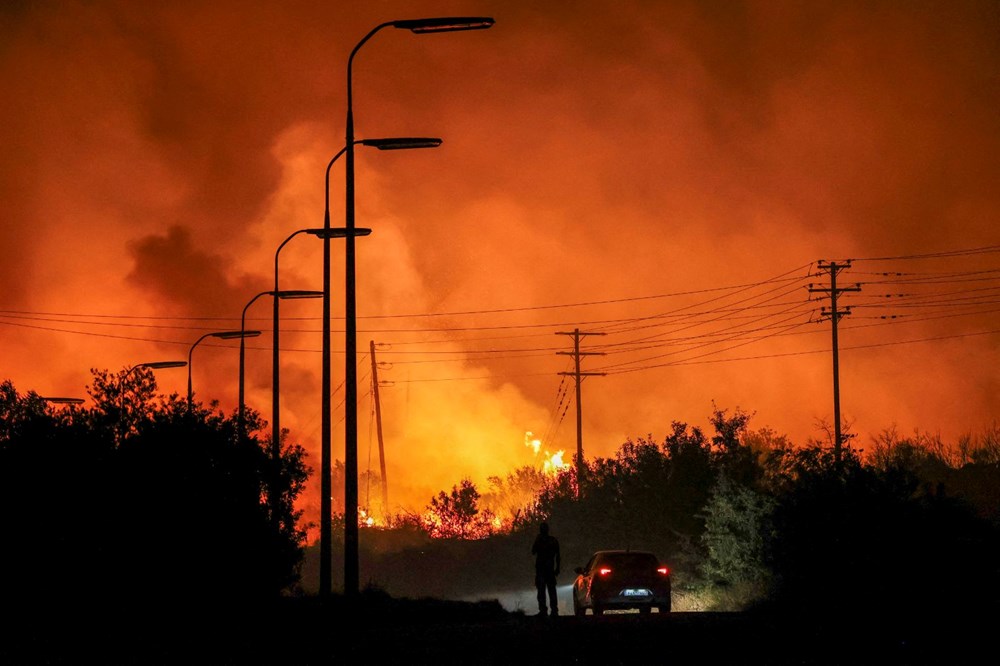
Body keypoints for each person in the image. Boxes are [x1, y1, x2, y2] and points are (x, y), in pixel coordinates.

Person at [531, 521, 560, 617]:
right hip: (547, 570)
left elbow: (533, 551)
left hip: (543, 570)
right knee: (548, 591)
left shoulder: (542, 540)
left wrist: (557, 567)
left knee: (544, 591)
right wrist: (557, 568)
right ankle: (552, 610)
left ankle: (546, 610)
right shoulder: (553, 540)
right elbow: (558, 556)